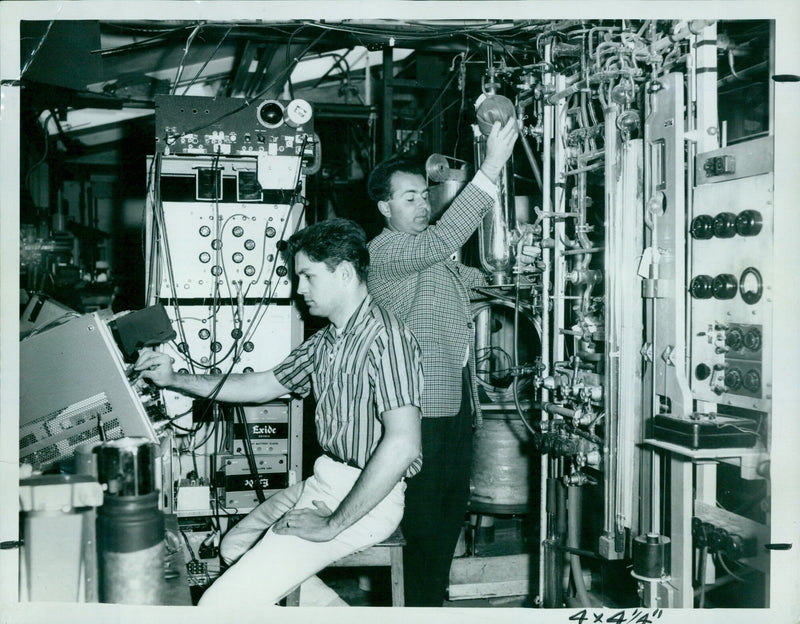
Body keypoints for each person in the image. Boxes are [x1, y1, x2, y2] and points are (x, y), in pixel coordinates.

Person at [134, 218, 424, 607]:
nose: (299, 289)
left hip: (368, 497)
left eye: (307, 276)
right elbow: (261, 385)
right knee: (233, 544)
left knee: (218, 606)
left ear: (344, 273)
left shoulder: (387, 338)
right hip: (325, 480)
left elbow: (403, 445)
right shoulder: (326, 340)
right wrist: (174, 379)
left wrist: (331, 525)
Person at [366, 118, 518, 607]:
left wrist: (526, 274)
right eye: (409, 198)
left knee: (448, 518)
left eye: (423, 196)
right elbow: (440, 243)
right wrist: (491, 167)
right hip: (415, 416)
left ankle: (435, 606)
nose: (422, 204)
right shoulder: (385, 251)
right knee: (422, 527)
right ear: (384, 207)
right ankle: (417, 608)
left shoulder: (434, 258)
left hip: (452, 408)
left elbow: (474, 277)